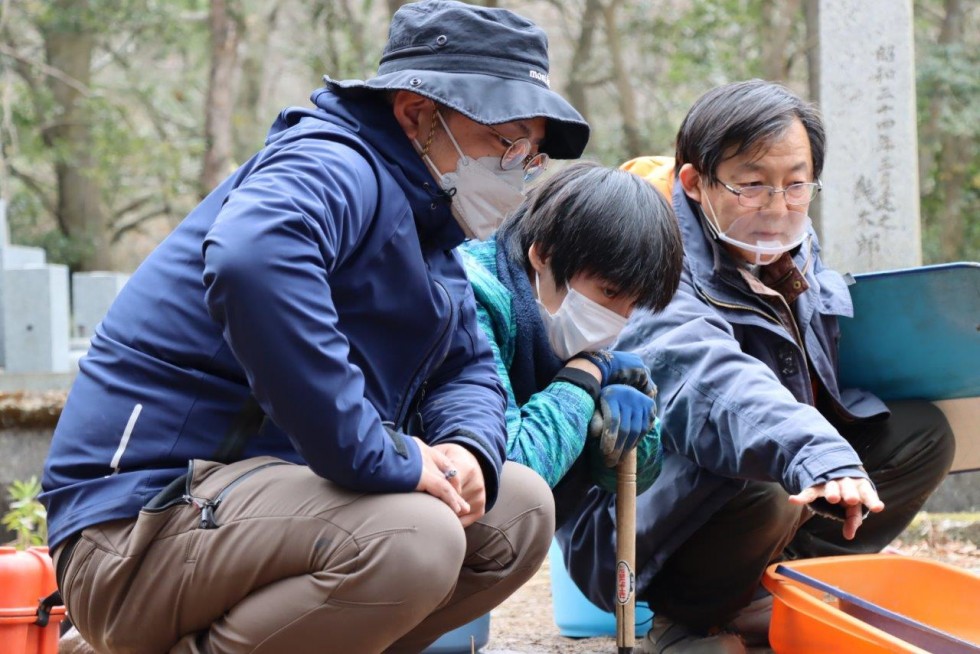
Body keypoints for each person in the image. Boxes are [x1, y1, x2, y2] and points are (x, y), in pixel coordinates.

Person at [40, 2, 590, 653]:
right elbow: (251, 259)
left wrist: (468, 448)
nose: (521, 169)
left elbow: (466, 366)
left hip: (254, 515)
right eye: (506, 142)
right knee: (415, 538)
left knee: (517, 510)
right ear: (417, 113)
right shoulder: (332, 167)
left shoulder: (432, 235)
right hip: (138, 527)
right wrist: (379, 453)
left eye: (532, 153)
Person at [557, 79, 955, 654]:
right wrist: (810, 449)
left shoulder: (789, 242)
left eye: (796, 184)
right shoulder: (649, 254)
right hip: (641, 507)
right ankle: (690, 622)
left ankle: (786, 593)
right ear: (695, 183)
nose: (776, 207)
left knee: (920, 435)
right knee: (763, 472)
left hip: (764, 454)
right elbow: (707, 379)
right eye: (751, 186)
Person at [460, 162, 684, 527]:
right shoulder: (472, 297)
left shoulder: (561, 311)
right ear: (544, 254)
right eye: (609, 292)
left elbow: (629, 480)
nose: (618, 320)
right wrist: (583, 379)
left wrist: (634, 434)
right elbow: (514, 470)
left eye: (633, 305)